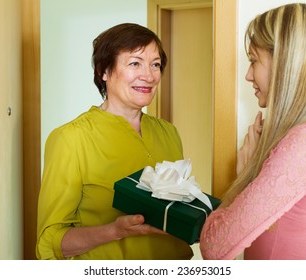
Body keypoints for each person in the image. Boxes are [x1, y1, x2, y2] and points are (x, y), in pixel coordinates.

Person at [200, 3, 306, 260]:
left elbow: (214, 247)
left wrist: (246, 177)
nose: (248, 75)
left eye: (254, 61)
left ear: (286, 64)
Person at [36, 23, 193, 260]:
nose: (149, 76)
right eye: (135, 63)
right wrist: (113, 231)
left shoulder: (169, 133)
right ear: (104, 71)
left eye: (155, 64)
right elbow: (49, 243)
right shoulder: (71, 139)